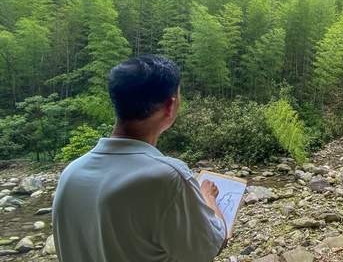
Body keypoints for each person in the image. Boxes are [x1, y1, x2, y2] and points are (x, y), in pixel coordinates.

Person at [53, 55, 226, 262]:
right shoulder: (168, 178)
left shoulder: (71, 173)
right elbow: (210, 245)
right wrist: (208, 197)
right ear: (170, 106)